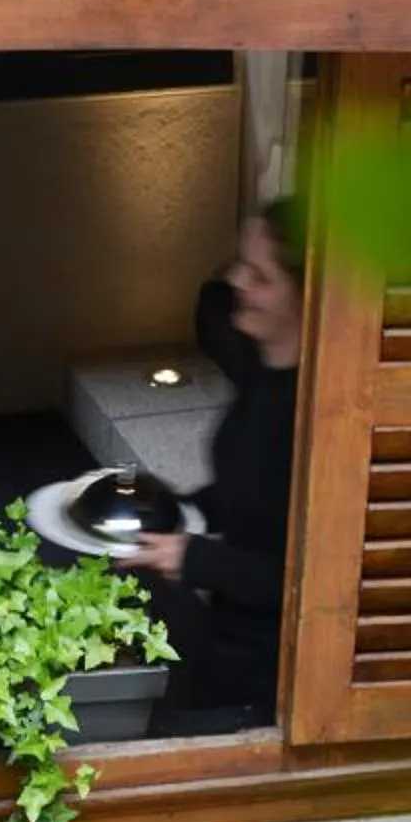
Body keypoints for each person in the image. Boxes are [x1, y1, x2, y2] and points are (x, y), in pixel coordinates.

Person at [120, 201, 302, 728]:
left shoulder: (320, 417)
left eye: (259, 275)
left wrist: (196, 559)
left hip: (271, 670)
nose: (235, 282)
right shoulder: (260, 371)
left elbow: (313, 581)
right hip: (227, 628)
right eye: (239, 263)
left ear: (305, 298)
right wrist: (172, 504)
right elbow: (249, 497)